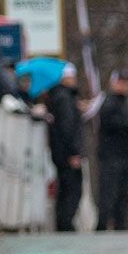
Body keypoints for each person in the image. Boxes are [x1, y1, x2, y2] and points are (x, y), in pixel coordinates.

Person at [95, 71, 128, 231]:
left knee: (123, 195)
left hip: (127, 155)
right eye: (121, 82)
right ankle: (102, 226)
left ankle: (121, 226)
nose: (124, 86)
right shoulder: (108, 102)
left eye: (126, 82)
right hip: (111, 155)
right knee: (108, 193)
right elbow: (112, 123)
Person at [46, 62, 84, 232]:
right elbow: (68, 126)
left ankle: (63, 222)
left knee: (64, 188)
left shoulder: (57, 97)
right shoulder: (64, 98)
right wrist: (74, 152)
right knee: (72, 188)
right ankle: (66, 223)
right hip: (66, 153)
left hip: (59, 151)